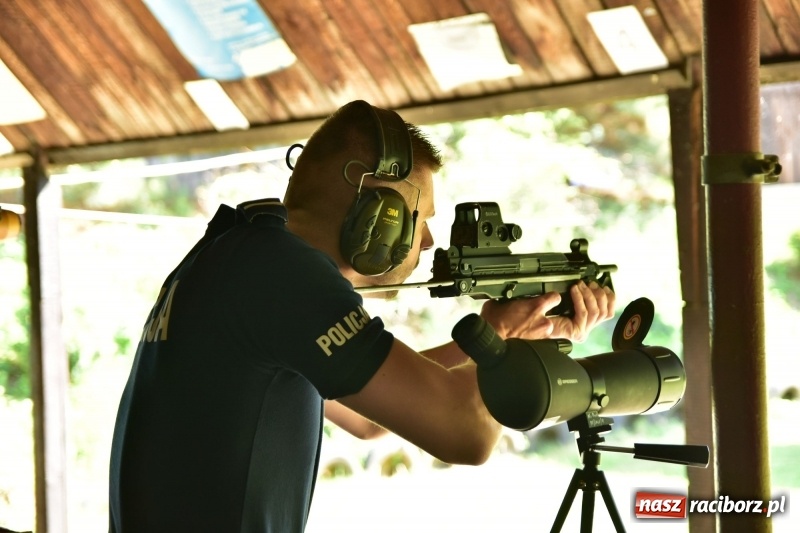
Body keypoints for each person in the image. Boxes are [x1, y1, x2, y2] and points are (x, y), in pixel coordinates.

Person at [108, 100, 615, 532]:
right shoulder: (279, 271)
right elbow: (466, 434)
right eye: (421, 219)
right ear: (380, 212)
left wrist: (499, 332)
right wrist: (520, 352)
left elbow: (369, 418)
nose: (428, 242)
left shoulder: (236, 254)